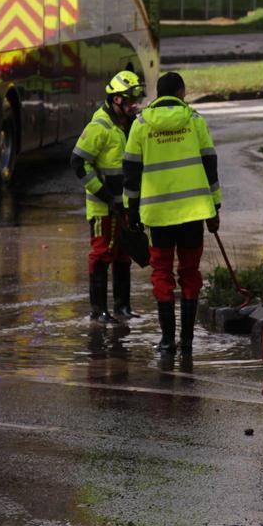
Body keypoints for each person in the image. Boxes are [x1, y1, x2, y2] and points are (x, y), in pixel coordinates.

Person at [123, 72, 220, 355]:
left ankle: (167, 341)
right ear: (181, 92)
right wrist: (215, 207)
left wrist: (131, 210)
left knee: (162, 273)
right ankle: (187, 341)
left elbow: (131, 172)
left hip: (157, 215)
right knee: (190, 273)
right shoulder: (195, 121)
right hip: (193, 214)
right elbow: (210, 165)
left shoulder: (140, 125)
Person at [70, 70, 145, 323]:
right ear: (116, 100)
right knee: (102, 255)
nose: (135, 105)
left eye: (137, 99)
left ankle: (122, 308)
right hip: (104, 208)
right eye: (130, 100)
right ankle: (98, 311)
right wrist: (103, 194)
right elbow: (79, 163)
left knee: (124, 255)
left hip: (125, 205)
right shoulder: (99, 126)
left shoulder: (132, 124)